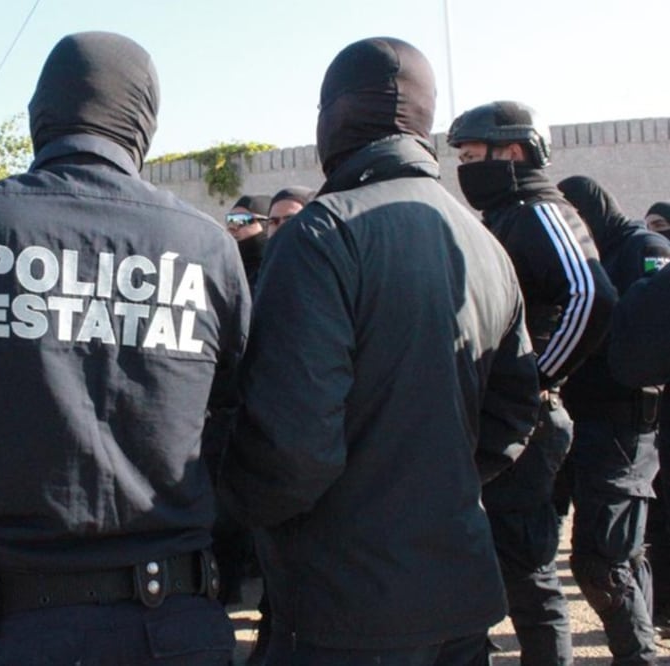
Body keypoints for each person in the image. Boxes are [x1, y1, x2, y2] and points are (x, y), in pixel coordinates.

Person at [0, 31, 248, 665]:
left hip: (7, 623)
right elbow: (236, 406)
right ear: (142, 118)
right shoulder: (207, 246)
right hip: (170, 621)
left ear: (42, 113)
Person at [219, 37, 541, 664]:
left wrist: (226, 502)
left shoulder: (322, 232)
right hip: (460, 593)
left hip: (345, 605)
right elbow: (514, 413)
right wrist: (433, 484)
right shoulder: (484, 243)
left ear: (336, 114)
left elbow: (292, 448)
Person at [447, 101, 617, 665]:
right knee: (482, 561)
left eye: (472, 156)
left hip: (528, 427)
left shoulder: (541, 210)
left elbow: (590, 296)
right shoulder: (506, 216)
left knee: (529, 574)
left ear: (513, 152)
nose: (465, 169)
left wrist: (535, 378)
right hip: (493, 423)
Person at [558, 175, 670, 661]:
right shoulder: (588, 254)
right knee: (623, 554)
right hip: (586, 421)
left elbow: (644, 341)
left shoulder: (644, 247)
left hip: (626, 424)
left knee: (604, 560)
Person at [225, 194, 271, 290]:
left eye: (241, 220)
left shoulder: (277, 271)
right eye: (230, 220)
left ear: (266, 224)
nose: (232, 227)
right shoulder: (223, 269)